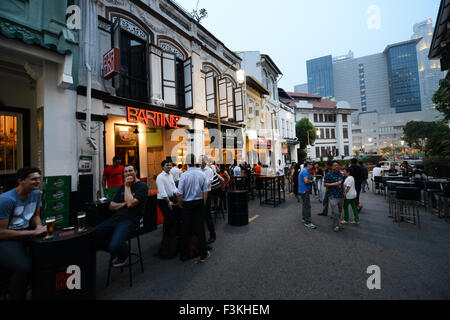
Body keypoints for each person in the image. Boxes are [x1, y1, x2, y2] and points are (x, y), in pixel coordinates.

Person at [0, 168, 47, 300]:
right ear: (21, 181)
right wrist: (33, 231)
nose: (37, 181)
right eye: (33, 179)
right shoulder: (6, 200)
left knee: (49, 257)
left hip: (27, 234)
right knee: (23, 267)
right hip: (7, 239)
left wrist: (38, 225)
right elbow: (1, 233)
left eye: (38, 178)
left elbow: (35, 215)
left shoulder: (36, 194)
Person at [96, 164, 149, 267]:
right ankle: (117, 248)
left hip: (130, 220)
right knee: (94, 236)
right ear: (123, 174)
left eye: (130, 171)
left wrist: (127, 186)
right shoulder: (121, 188)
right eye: (126, 171)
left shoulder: (142, 186)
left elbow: (130, 204)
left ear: (136, 172)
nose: (128, 173)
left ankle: (124, 252)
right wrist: (123, 203)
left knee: (114, 246)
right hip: (115, 218)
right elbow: (111, 206)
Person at [177, 154, 210, 263]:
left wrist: (180, 204)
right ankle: (203, 254)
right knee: (200, 229)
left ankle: (184, 255)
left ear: (186, 163)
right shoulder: (202, 174)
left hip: (187, 204)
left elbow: (180, 193)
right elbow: (205, 191)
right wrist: (203, 203)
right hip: (199, 203)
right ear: (195, 162)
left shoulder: (184, 175)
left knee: (185, 229)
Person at [156, 160, 178, 239]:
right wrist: (168, 201)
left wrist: (177, 194)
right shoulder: (160, 177)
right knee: (168, 217)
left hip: (171, 198)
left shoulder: (171, 175)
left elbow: (174, 188)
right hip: (163, 200)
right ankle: (166, 237)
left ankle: (171, 236)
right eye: (167, 165)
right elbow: (162, 191)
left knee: (172, 218)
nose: (169, 166)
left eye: (170, 165)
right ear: (162, 167)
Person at [324, 161, 345, 232]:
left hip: (341, 195)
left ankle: (336, 223)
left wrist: (345, 192)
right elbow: (325, 184)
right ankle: (337, 225)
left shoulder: (341, 175)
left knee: (339, 211)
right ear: (332, 167)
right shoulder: (328, 174)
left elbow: (343, 184)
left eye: (337, 165)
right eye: (335, 165)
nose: (336, 166)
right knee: (335, 211)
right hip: (332, 195)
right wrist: (334, 184)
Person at [200, 157, 216, 244]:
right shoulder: (198, 170)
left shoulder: (209, 170)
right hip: (199, 194)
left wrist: (201, 185)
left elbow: (209, 182)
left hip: (207, 193)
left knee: (207, 215)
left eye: (203, 161)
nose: (202, 162)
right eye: (200, 161)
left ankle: (212, 235)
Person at [298, 162, 317, 229]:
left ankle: (304, 218)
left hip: (302, 190)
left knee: (304, 205)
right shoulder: (305, 171)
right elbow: (306, 181)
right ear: (308, 165)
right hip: (304, 190)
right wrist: (312, 181)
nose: (312, 166)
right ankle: (307, 222)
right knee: (307, 206)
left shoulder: (304, 170)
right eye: (311, 164)